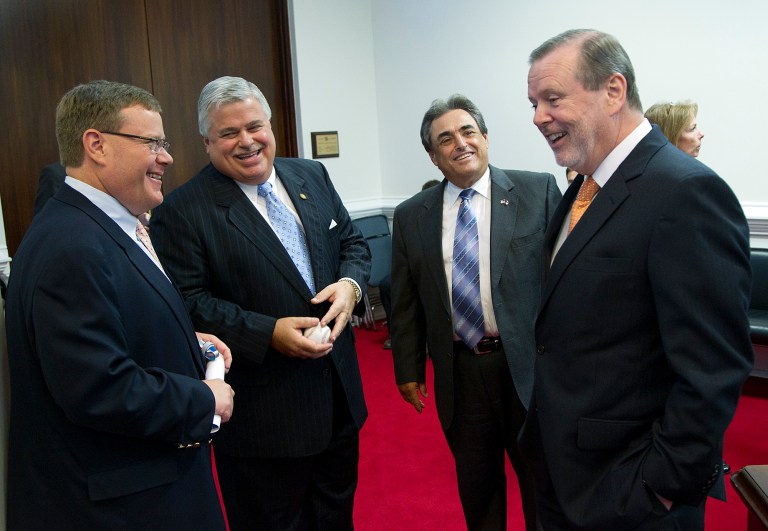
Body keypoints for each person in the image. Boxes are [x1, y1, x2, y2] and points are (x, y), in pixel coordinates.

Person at [523, 29, 753, 530]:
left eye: (552, 98)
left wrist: (661, 486)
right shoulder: (584, 188)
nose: (538, 116)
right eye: (534, 102)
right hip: (565, 476)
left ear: (613, 90)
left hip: (631, 498)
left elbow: (712, 369)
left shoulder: (686, 193)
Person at [5, 80, 235, 530]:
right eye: (152, 143)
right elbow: (98, 388)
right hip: (120, 507)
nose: (167, 157)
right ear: (97, 145)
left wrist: (183, 339)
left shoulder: (96, 226)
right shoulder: (72, 245)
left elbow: (112, 326)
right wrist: (203, 397)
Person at [150, 76, 371, 531]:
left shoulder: (311, 174)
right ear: (207, 142)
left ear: (270, 125)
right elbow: (187, 303)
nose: (247, 141)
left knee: (336, 519)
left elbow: (351, 241)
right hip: (264, 422)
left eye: (255, 126)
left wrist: (350, 284)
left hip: (338, 401)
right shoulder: (182, 211)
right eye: (229, 133)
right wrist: (266, 332)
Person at [391, 94, 561, 531]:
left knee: (542, 483)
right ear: (432, 155)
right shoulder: (413, 215)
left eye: (468, 131)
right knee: (478, 485)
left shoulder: (535, 190)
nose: (460, 143)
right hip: (460, 371)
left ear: (485, 137)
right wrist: (407, 369)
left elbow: (565, 280)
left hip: (525, 366)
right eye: (445, 139)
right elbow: (406, 300)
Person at [381, 179, 441, 350]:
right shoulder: (413, 215)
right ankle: (396, 333)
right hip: (415, 268)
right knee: (387, 284)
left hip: (435, 272)